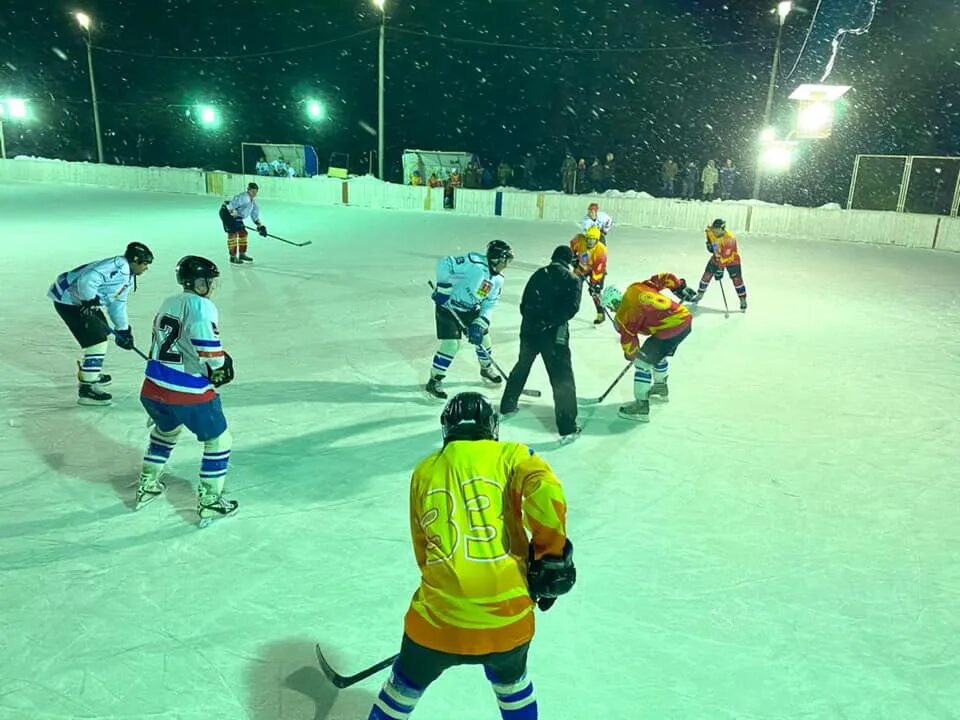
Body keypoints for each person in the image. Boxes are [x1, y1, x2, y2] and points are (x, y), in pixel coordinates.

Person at [367, 392, 575, 720]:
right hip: (508, 619)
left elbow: (423, 551)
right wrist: (552, 558)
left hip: (439, 618)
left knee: (403, 684)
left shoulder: (424, 470)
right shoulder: (513, 454)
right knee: (513, 683)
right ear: (491, 427)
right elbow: (546, 489)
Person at [135, 255, 238, 527]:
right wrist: (221, 362)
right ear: (199, 282)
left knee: (165, 431)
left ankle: (147, 482)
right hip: (187, 391)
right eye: (209, 281)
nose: (212, 286)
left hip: (152, 387)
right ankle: (210, 501)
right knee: (219, 440)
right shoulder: (203, 306)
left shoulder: (169, 302)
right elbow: (207, 346)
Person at [48, 242, 154, 406]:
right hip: (68, 300)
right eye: (145, 263)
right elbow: (87, 279)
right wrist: (88, 300)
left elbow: (117, 304)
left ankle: (91, 372)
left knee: (101, 332)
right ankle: (87, 389)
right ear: (135, 260)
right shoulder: (119, 267)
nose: (146, 268)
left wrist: (123, 330)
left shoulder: (127, 276)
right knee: (97, 341)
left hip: (81, 300)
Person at [500, 246, 581, 440]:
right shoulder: (572, 280)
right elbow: (572, 309)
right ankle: (566, 424)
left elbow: (523, 304)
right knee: (562, 377)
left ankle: (508, 404)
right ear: (569, 261)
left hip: (529, 330)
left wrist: (534, 321)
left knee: (522, 365)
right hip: (554, 337)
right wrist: (549, 322)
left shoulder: (538, 274)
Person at [601, 273, 698, 423]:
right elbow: (664, 278)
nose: (611, 309)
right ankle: (660, 386)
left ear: (613, 302)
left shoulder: (623, 314)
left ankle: (641, 408)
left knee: (642, 364)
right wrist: (680, 287)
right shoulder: (636, 288)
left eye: (609, 306)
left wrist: (632, 355)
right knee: (657, 354)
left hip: (669, 330)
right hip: (684, 319)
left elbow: (629, 342)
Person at [427, 240, 514, 399]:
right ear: (496, 259)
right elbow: (444, 263)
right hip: (448, 306)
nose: (507, 264)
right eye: (505, 260)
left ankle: (485, 368)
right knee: (451, 345)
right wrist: (443, 289)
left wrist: (480, 323)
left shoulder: (498, 279)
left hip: (471, 310)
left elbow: (489, 303)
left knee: (485, 340)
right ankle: (434, 379)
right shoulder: (473, 262)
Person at [690, 218, 748, 311]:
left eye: (716, 230)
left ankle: (742, 300)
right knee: (706, 275)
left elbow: (726, 257)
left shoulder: (730, 239)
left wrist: (720, 270)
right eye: (714, 229)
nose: (714, 231)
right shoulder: (711, 231)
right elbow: (709, 235)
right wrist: (709, 244)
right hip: (716, 257)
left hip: (731, 260)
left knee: (737, 280)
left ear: (722, 229)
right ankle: (699, 294)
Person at [219, 182, 267, 264]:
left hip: (236, 216)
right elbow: (230, 206)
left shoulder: (253, 203)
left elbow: (254, 216)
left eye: (255, 191)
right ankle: (233, 257)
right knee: (233, 234)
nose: (254, 193)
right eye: (252, 191)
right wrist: (235, 218)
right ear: (248, 190)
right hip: (227, 213)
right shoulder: (243, 197)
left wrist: (259, 226)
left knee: (243, 233)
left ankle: (242, 254)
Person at [570, 226, 609, 324]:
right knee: (573, 285)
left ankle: (600, 313)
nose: (590, 241)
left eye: (593, 239)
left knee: (595, 293)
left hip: (596, 269)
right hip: (582, 266)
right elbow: (572, 245)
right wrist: (573, 257)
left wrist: (594, 284)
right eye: (588, 238)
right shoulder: (580, 240)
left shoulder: (601, 250)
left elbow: (599, 269)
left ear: (597, 240)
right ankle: (570, 308)